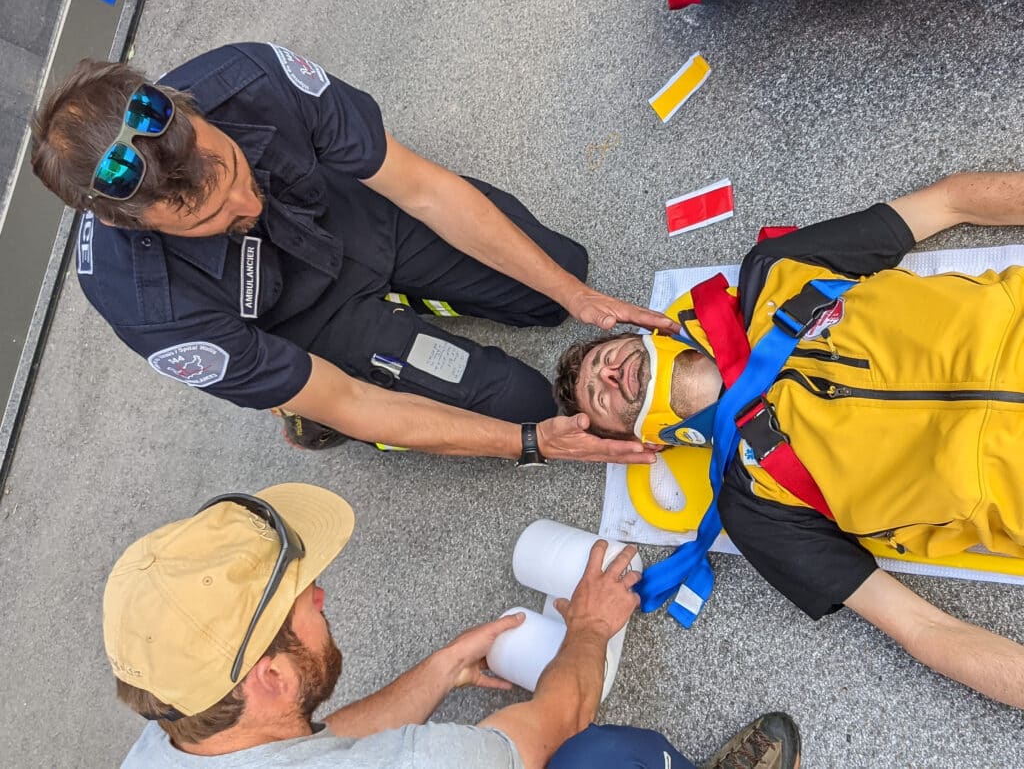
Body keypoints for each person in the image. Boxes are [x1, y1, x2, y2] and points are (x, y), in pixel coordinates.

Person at [31, 43, 674, 466]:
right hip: (310, 328)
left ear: (190, 111)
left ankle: (431, 293)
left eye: (236, 170)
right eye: (210, 216)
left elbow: (424, 190)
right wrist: (528, 445)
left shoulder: (251, 79)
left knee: (558, 275)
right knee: (530, 407)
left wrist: (574, 295)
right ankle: (297, 406)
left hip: (359, 219)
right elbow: (345, 398)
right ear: (127, 221)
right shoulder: (150, 310)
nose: (246, 206)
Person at [553, 171, 1024, 709]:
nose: (608, 376)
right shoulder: (754, 507)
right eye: (599, 396)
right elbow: (921, 628)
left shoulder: (775, 274)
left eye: (605, 358)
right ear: (645, 444)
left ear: (652, 333)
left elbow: (950, 201)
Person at [103, 482, 801, 768]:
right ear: (271, 676)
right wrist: (588, 627)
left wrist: (441, 667)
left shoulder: (172, 729)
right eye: (302, 600)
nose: (319, 595)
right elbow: (563, 710)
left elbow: (308, 747)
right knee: (606, 752)